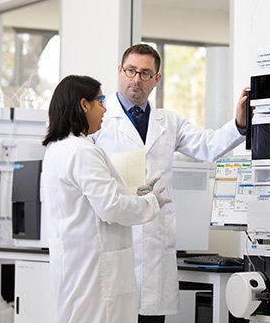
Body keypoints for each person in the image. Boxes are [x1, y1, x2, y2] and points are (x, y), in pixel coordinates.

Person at [91, 44, 249, 322]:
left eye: (145, 73)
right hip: (115, 241)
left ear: (157, 79)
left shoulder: (168, 122)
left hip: (155, 247)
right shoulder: (99, 120)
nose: (136, 79)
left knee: (151, 316)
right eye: (130, 71)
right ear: (119, 71)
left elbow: (207, 146)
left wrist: (239, 122)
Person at [41, 75, 171, 322]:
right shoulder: (82, 151)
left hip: (75, 264)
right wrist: (150, 203)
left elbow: (90, 203)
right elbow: (110, 208)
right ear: (83, 105)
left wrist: (133, 196)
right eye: (100, 101)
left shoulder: (58, 149)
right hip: (96, 272)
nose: (104, 109)